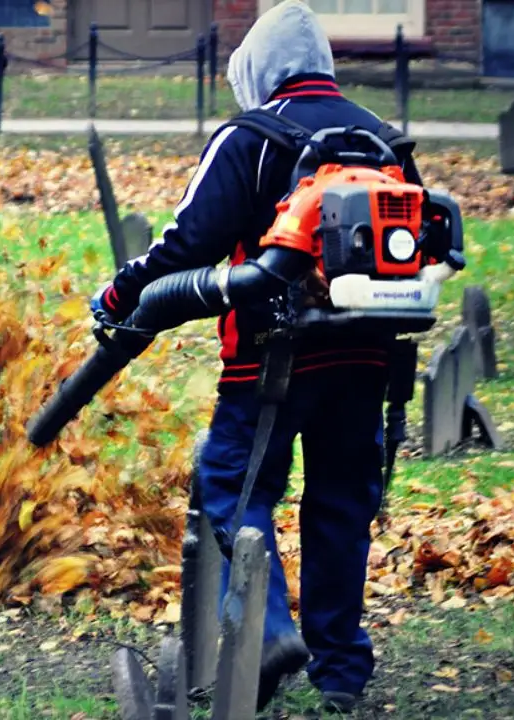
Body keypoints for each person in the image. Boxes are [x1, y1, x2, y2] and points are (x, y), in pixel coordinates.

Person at [89, 1, 422, 713]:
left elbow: (187, 243)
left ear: (258, 69)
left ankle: (268, 635)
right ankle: (340, 673)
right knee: (339, 506)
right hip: (367, 357)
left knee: (231, 490)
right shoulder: (383, 142)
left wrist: (120, 299)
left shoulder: (251, 136)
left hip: (269, 362)